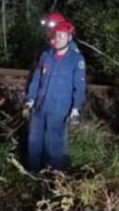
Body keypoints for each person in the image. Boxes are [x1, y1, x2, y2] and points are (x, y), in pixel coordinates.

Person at [23, 15, 86, 171]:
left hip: (59, 109)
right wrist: (30, 99)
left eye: (61, 36)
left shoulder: (75, 58)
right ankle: (34, 173)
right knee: (34, 141)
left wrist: (75, 108)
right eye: (54, 35)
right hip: (40, 106)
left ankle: (56, 177)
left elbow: (79, 85)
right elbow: (37, 79)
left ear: (68, 37)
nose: (57, 39)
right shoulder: (46, 55)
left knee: (55, 143)